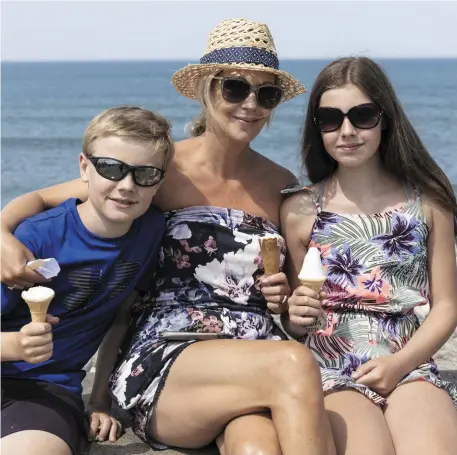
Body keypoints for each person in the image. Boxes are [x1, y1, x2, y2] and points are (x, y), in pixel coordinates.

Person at [0, 19, 336, 455]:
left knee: (257, 446)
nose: (250, 104)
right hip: (171, 350)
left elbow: (290, 312)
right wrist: (2, 232)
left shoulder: (281, 183)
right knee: (294, 363)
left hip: (254, 353)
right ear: (206, 89)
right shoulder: (156, 168)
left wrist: (288, 302)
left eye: (265, 94)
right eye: (235, 88)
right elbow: (46, 198)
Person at [280, 56, 457, 455]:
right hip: (330, 367)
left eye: (362, 116)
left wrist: (400, 364)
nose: (347, 131)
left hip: (408, 362)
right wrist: (293, 312)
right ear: (317, 126)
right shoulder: (299, 210)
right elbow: (296, 315)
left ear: (385, 118)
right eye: (330, 119)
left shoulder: (429, 203)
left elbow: (447, 305)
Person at [1, 106, 172, 455]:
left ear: (160, 182)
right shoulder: (35, 237)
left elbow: (122, 317)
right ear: (84, 167)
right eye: (111, 168)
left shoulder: (151, 232)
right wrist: (13, 346)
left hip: (44, 390)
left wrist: (99, 400)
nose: (126, 186)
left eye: (145, 174)